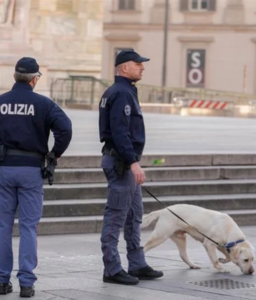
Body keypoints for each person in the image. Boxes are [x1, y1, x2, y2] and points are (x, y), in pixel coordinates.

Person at [0, 57, 72, 298]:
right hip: (31, 171)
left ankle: (1, 281)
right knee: (28, 226)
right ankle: (26, 283)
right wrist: (54, 153)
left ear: (15, 76)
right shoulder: (44, 104)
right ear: (35, 79)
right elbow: (65, 129)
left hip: (3, 171)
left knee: (3, 226)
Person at [98, 49, 163, 285]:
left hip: (125, 161)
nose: (142, 68)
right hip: (122, 163)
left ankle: (137, 264)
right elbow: (120, 132)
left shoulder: (122, 91)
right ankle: (112, 269)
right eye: (138, 64)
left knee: (134, 215)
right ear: (125, 67)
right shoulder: (122, 93)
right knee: (116, 216)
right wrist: (134, 162)